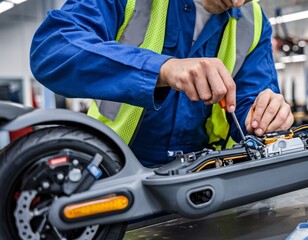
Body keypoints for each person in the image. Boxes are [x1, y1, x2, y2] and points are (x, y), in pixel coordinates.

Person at [30, 0, 294, 166]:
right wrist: (162, 69)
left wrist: (265, 115)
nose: (237, 3)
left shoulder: (254, 20)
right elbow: (52, 48)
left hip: (202, 183)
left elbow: (250, 102)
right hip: (112, 171)